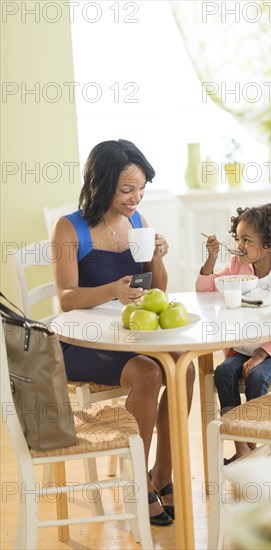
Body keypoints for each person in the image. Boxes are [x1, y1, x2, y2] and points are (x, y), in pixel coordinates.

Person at [52, 139, 195, 526]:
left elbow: (158, 291)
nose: (136, 198)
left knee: (186, 365)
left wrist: (158, 256)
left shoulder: (137, 222)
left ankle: (162, 475)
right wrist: (112, 291)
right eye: (127, 190)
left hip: (127, 336)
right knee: (148, 373)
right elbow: (65, 298)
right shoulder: (70, 228)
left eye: (142, 188)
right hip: (80, 344)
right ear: (101, 184)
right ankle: (136, 480)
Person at [196, 203, 271, 462]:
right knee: (224, 372)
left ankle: (256, 440)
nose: (239, 246)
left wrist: (264, 352)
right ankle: (242, 444)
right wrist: (212, 259)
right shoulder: (238, 267)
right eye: (238, 239)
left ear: (269, 245)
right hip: (248, 344)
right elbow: (205, 290)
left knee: (257, 376)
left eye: (246, 240)